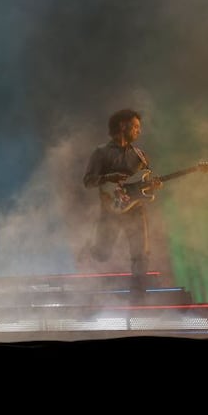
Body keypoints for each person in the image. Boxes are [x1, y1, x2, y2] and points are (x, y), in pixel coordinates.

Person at [81, 108, 161, 293]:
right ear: (122, 125)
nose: (138, 131)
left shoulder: (140, 155)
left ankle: (139, 294)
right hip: (111, 208)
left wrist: (153, 185)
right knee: (102, 253)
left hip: (136, 209)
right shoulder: (101, 152)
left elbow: (144, 183)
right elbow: (88, 181)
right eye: (135, 126)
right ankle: (89, 249)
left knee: (140, 253)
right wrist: (109, 177)